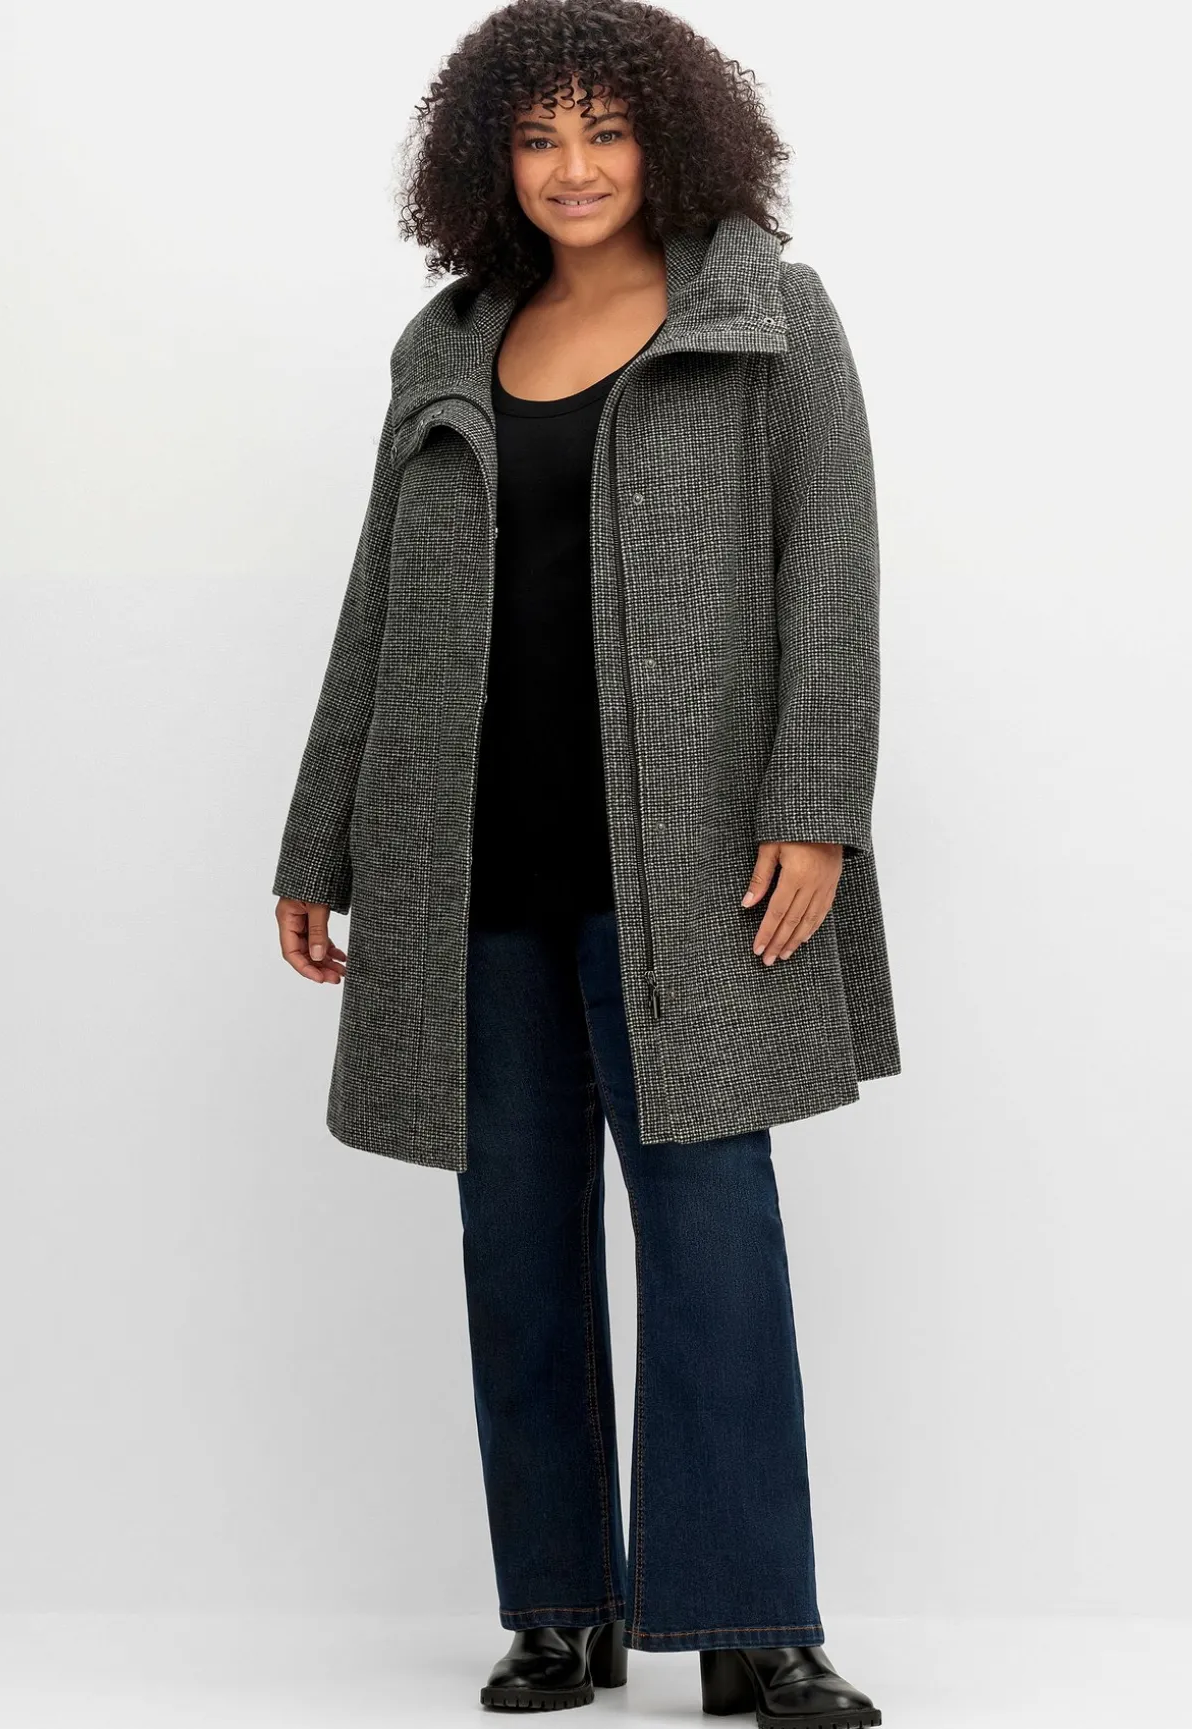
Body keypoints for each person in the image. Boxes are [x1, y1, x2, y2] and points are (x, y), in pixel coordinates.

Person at [272, 1, 899, 1721]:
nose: (571, 166)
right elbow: (376, 606)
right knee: (515, 1242)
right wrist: (321, 836)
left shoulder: (765, 313)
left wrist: (813, 802)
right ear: (491, 157)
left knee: (711, 1234)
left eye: (603, 129)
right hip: (465, 859)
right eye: (537, 134)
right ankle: (558, 1609)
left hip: (691, 867)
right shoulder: (445, 344)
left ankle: (755, 1626)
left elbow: (830, 571)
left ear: (667, 138)